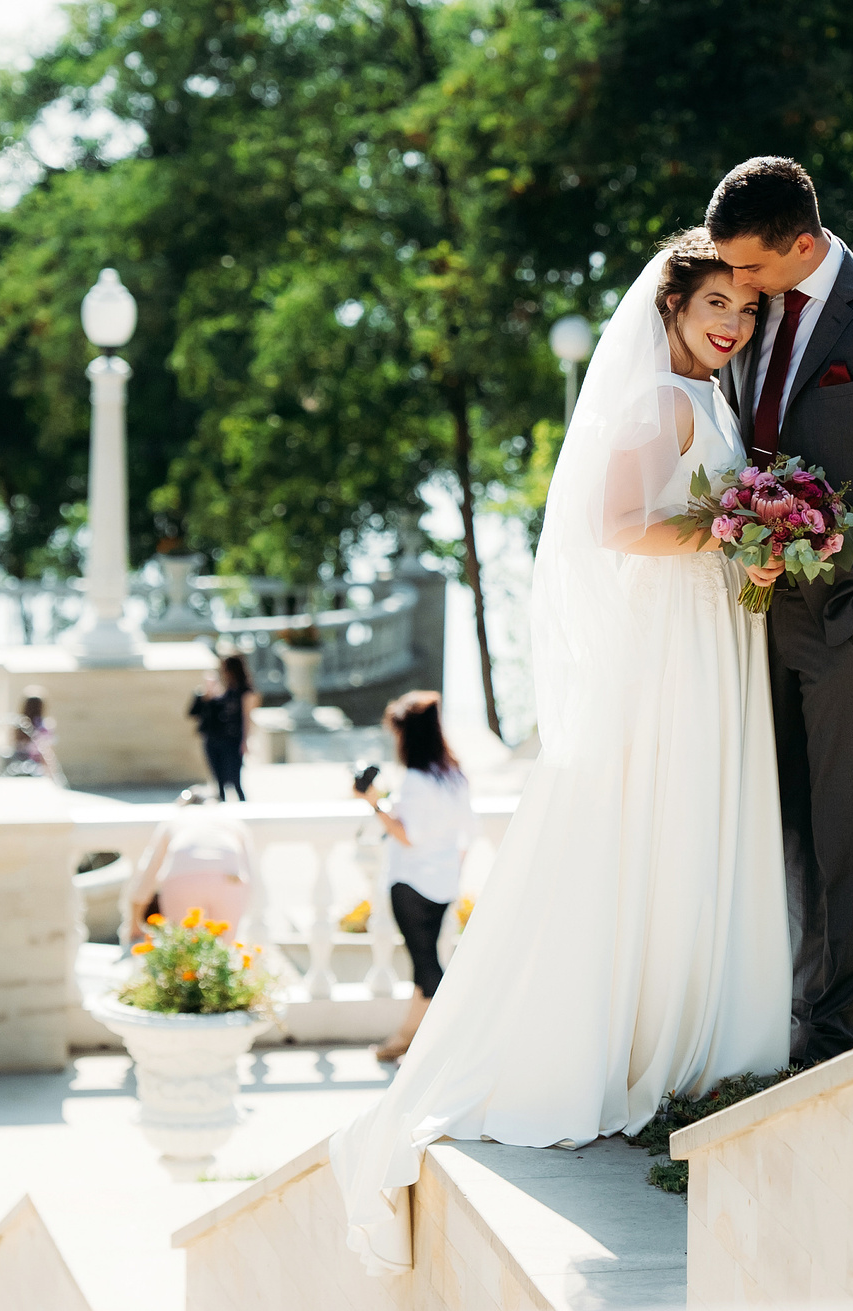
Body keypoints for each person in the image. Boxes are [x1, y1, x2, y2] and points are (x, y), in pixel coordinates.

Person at [329, 228, 793, 1274]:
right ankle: (630, 1044)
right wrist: (736, 528)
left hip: (708, 636)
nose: (732, 322)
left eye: (746, 307)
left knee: (692, 828)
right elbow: (619, 523)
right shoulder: (660, 400)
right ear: (672, 307)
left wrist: (755, 535)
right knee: (657, 824)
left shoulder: (711, 397)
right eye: (715, 304)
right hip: (671, 648)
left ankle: (687, 1038)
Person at [708, 155, 853, 1066]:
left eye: (752, 266)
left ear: (803, 244)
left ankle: (836, 1039)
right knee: (776, 824)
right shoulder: (752, 310)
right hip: (753, 618)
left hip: (850, 625)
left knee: (844, 833)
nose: (738, 282)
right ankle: (777, 1018)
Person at [356, 691, 479, 1063]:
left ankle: (441, 1042)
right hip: (442, 883)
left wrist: (373, 803)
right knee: (425, 963)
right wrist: (452, 869)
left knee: (427, 967)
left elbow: (408, 835)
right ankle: (407, 1038)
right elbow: (468, 831)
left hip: (410, 883)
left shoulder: (415, 780)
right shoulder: (454, 776)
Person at [121, 789, 263, 949]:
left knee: (183, 950)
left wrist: (134, 923)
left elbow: (148, 871)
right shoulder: (232, 821)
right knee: (224, 950)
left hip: (182, 879)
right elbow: (251, 871)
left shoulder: (175, 819)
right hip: (230, 879)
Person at [188, 653, 255, 802]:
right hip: (214, 736)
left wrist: (245, 741)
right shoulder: (222, 689)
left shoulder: (245, 691)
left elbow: (246, 718)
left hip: (233, 739)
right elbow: (197, 711)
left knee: (235, 780)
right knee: (219, 781)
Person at [3, 687, 67, 786]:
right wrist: (52, 775)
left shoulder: (19, 726)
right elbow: (46, 753)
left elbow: (10, 746)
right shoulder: (43, 727)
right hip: (36, 771)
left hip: (17, 770)